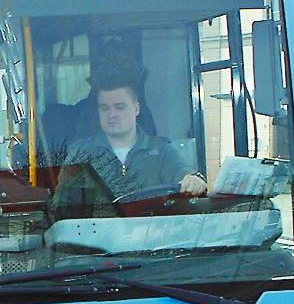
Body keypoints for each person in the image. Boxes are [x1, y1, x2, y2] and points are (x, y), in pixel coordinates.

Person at [51, 77, 205, 216]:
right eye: (104, 108)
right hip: (99, 241)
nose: (112, 115)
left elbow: (183, 173)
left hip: (150, 239)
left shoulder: (162, 150)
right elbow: (62, 208)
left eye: (119, 107)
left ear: (136, 109)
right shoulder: (80, 153)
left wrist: (192, 180)